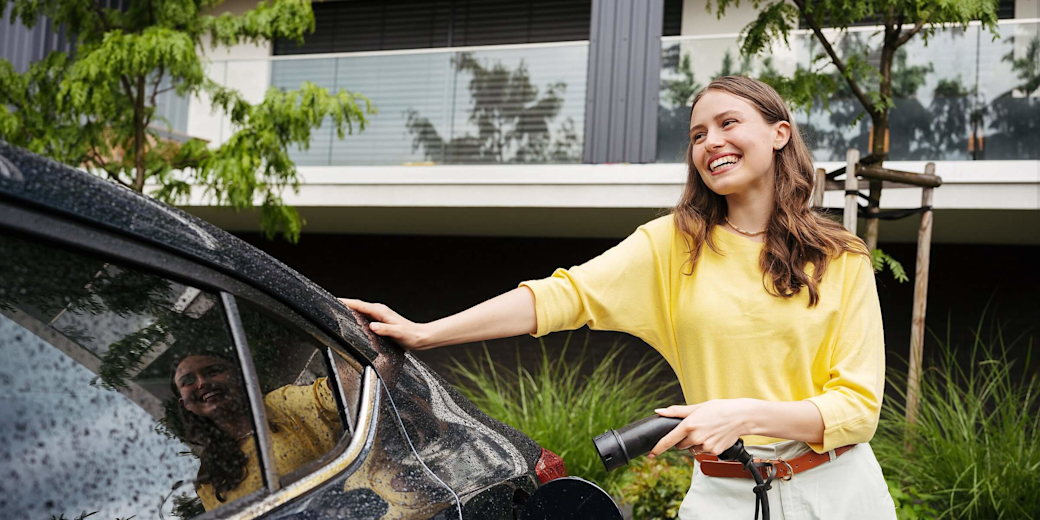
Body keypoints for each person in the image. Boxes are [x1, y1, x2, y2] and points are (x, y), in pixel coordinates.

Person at [342, 76, 895, 519]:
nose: (711, 142)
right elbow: (559, 297)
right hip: (724, 499)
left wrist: (744, 413)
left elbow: (858, 408)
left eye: (729, 123)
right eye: (698, 134)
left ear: (779, 134)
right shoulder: (673, 245)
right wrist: (425, 332)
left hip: (839, 492)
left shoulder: (839, 256)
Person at [167, 349, 342, 511]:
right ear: (185, 404)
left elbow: (335, 391)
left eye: (213, 372)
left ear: (237, 375)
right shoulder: (208, 479)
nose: (202, 383)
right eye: (188, 381)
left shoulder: (280, 405)